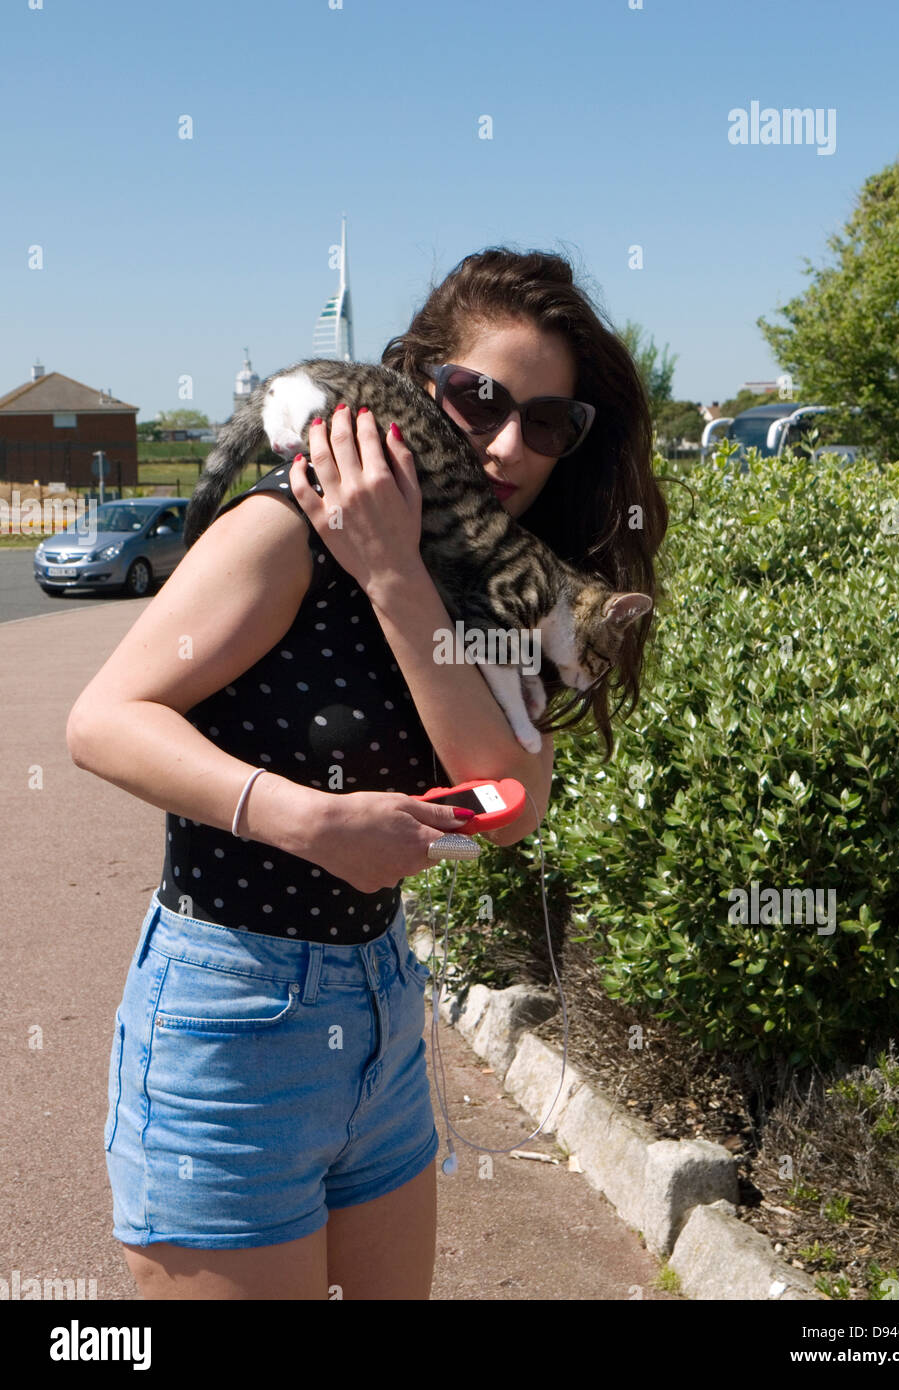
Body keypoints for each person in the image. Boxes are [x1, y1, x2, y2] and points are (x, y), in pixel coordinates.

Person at [66, 247, 668, 1301]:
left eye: (548, 422)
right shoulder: (282, 530)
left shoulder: (485, 581)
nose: (506, 441)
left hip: (381, 1009)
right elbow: (104, 720)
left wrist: (395, 575)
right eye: (479, 398)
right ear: (420, 383)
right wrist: (306, 821)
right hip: (233, 1010)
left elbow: (512, 803)